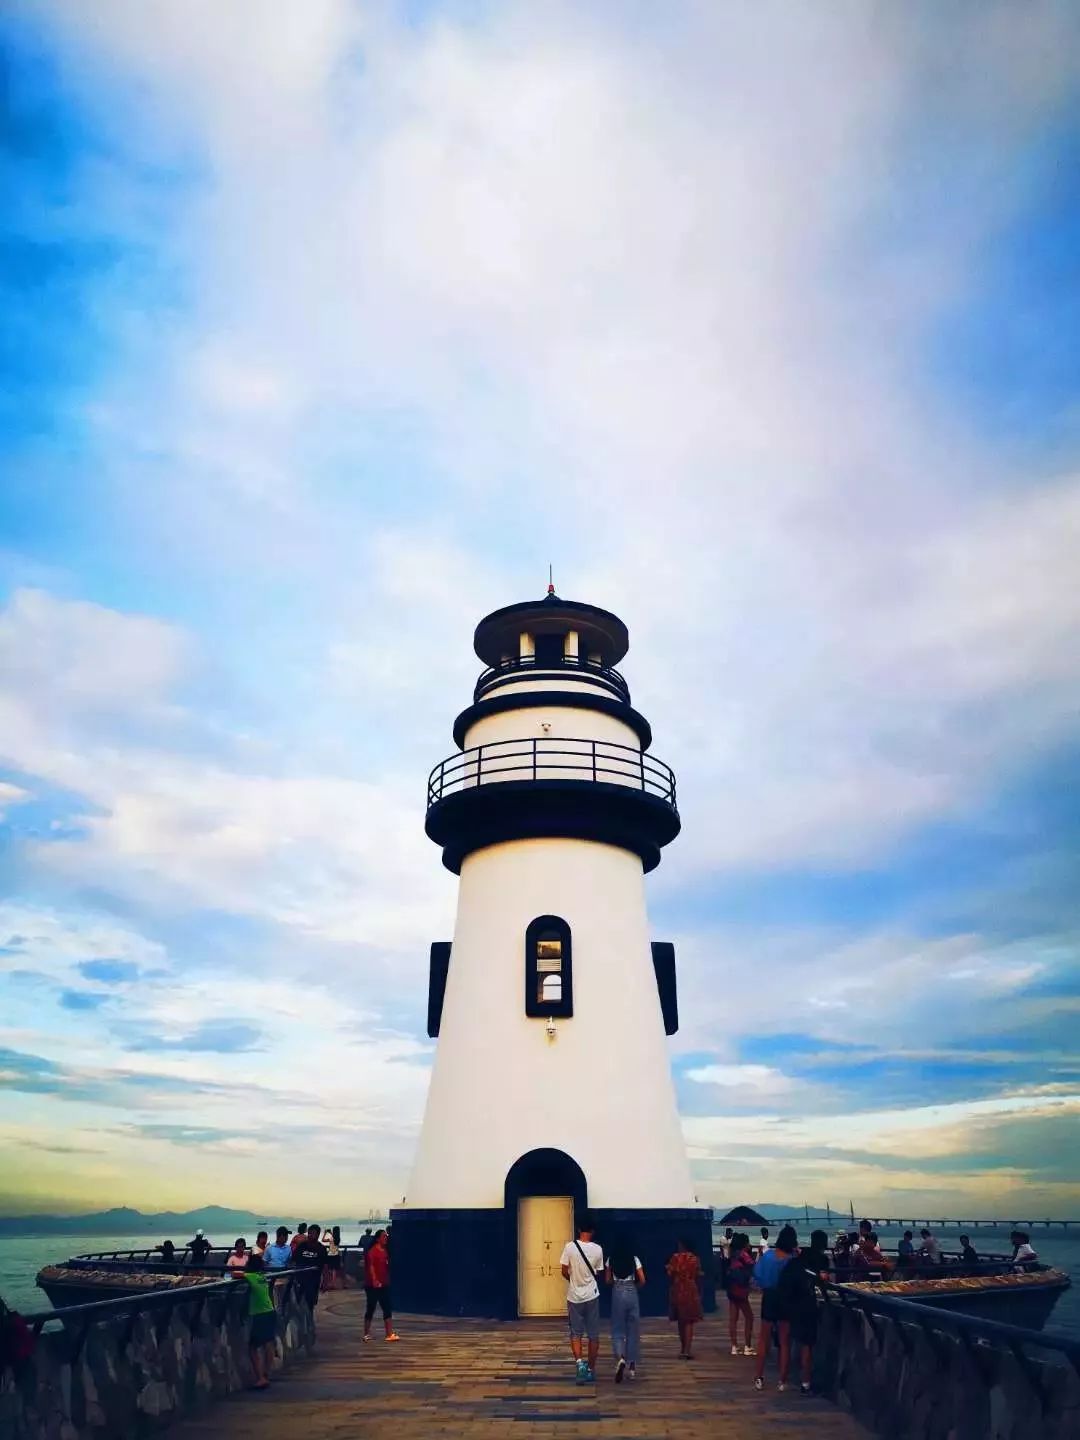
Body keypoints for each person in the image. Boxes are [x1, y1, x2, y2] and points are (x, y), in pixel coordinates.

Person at [779, 1229, 829, 1395]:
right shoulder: (822, 1259)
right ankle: (805, 1381)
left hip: (792, 1303)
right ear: (824, 1243)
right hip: (808, 1304)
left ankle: (783, 1379)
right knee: (807, 1344)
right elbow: (824, 1280)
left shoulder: (800, 1257)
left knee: (789, 1340)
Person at [753, 1224, 796, 1392]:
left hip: (769, 1297)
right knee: (784, 1341)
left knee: (763, 1339)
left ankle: (759, 1377)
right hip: (786, 1299)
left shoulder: (768, 1256)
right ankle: (782, 1380)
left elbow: (757, 1276)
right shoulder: (791, 1260)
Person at [560, 1214, 603, 1384]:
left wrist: (573, 1281)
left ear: (578, 1229)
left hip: (574, 1296)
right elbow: (598, 1271)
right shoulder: (598, 1249)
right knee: (593, 1335)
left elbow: (564, 1270)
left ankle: (579, 1364)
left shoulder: (569, 1247)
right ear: (592, 1231)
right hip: (592, 1295)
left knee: (576, 1333)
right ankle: (591, 1369)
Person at [605, 1233, 644, 1383]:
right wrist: (634, 1287)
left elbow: (608, 1280)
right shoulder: (634, 1259)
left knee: (618, 1329)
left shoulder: (611, 1259)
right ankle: (632, 1368)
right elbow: (643, 1279)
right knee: (633, 1331)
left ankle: (621, 1358)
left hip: (617, 1291)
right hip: (631, 1290)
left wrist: (615, 1284)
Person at [241, 1252, 277, 1389]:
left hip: (259, 1313)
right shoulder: (262, 1276)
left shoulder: (250, 1276)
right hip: (270, 1310)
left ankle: (261, 1378)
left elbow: (236, 1275)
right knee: (268, 1343)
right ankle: (266, 1373)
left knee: (252, 1347)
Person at [666, 1237, 704, 1361]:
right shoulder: (695, 1259)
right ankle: (687, 1350)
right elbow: (698, 1275)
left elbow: (669, 1274)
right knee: (689, 1321)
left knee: (681, 1321)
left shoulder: (675, 1258)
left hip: (678, 1290)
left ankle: (683, 1349)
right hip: (691, 1290)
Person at [363, 1229, 400, 1342]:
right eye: (384, 1236)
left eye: (386, 1236)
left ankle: (389, 1334)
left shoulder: (385, 1251)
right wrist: (374, 1280)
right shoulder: (372, 1252)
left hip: (384, 1284)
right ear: (378, 1238)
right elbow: (371, 1267)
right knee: (371, 1307)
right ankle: (366, 1334)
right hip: (372, 1285)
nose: (386, 1238)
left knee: (387, 1307)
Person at [725, 1232, 755, 1356]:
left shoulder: (732, 1255)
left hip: (731, 1289)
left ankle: (734, 1346)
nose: (749, 1245)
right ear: (744, 1244)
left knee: (733, 1318)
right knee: (749, 1317)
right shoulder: (744, 1255)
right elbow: (753, 1267)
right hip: (741, 1290)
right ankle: (747, 1346)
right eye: (748, 1242)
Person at [293, 1224, 328, 1307]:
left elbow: (325, 1266)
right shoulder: (301, 1246)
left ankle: (309, 1315)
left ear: (318, 1235)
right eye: (309, 1233)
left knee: (310, 1304)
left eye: (312, 1233)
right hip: (300, 1280)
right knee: (297, 1303)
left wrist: (325, 1282)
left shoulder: (321, 1249)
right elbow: (294, 1260)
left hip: (313, 1281)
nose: (310, 1235)